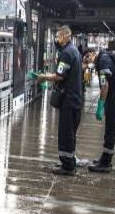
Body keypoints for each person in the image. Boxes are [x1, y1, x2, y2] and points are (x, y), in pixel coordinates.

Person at [31, 25, 84, 175]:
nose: (57, 39)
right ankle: (70, 160)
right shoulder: (75, 51)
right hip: (77, 98)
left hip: (68, 99)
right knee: (71, 132)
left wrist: (43, 77)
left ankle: (67, 166)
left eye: (59, 36)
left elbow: (60, 76)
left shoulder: (66, 53)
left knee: (66, 132)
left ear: (65, 36)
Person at [89, 40, 115, 173]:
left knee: (110, 132)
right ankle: (104, 159)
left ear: (93, 54)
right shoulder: (105, 58)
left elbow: (105, 85)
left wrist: (100, 105)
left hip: (114, 100)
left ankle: (105, 163)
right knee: (109, 131)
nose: (88, 61)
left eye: (88, 57)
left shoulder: (102, 63)